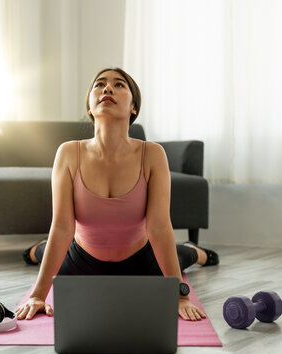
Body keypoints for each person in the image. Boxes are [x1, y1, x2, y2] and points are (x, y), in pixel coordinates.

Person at [15, 68, 219, 322]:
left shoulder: (152, 154)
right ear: (90, 107)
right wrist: (37, 295)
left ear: (134, 107)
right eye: (99, 84)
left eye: (119, 85)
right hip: (82, 260)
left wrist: (180, 296)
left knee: (180, 256)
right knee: (48, 252)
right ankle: (37, 249)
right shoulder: (68, 153)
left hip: (140, 259)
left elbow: (158, 228)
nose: (107, 88)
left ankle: (194, 249)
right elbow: (62, 228)